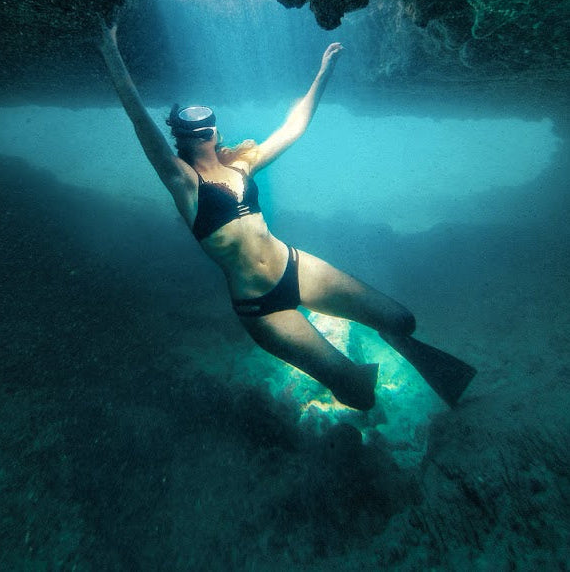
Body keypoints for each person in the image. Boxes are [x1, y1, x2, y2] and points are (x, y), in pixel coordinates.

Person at [99, 20, 476, 412]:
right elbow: (139, 119)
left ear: (213, 131)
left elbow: (293, 127)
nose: (200, 132)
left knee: (401, 321)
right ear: (188, 137)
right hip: (260, 307)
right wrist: (110, 48)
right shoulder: (184, 182)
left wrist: (322, 74)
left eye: (203, 124)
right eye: (190, 128)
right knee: (357, 393)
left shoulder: (242, 166)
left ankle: (407, 351)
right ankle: (347, 394)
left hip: (294, 265)